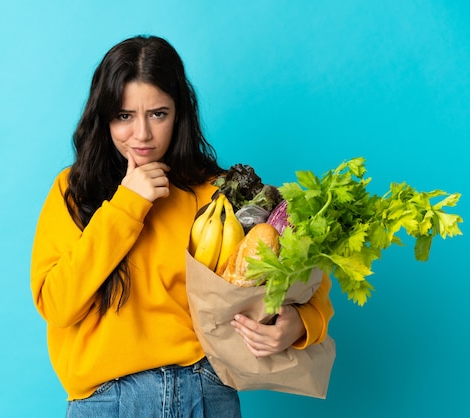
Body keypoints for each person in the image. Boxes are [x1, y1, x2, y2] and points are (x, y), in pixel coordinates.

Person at [30, 35, 334, 417]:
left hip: (205, 393)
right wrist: (128, 204)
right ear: (103, 116)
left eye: (158, 113)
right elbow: (57, 304)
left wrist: (300, 324)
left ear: (180, 113)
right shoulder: (74, 191)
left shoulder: (219, 194)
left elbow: (302, 278)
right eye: (124, 116)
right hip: (109, 402)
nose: (141, 134)